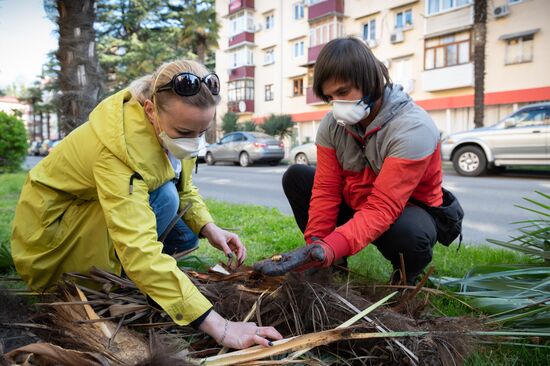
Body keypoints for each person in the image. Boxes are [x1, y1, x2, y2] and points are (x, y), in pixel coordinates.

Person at [11, 59, 282, 349]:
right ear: (151, 110)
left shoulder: (170, 129)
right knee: (164, 202)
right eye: (184, 133)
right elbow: (138, 247)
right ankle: (115, 280)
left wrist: (209, 226)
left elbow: (184, 186)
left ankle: (148, 277)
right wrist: (221, 326)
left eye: (202, 133)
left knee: (180, 215)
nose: (194, 143)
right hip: (51, 241)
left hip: (87, 217)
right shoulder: (118, 152)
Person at [254, 37, 443, 285]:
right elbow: (326, 190)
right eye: (330, 97)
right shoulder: (332, 125)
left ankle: (405, 277)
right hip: (359, 202)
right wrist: (316, 248)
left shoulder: (413, 129)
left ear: (371, 82)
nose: (337, 105)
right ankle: (333, 266)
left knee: (411, 234)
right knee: (297, 177)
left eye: (343, 92)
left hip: (404, 212)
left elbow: (383, 207)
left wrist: (331, 246)